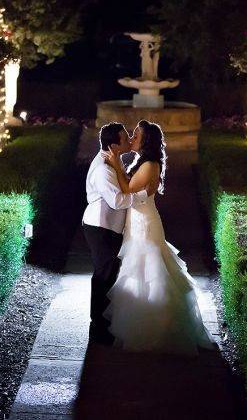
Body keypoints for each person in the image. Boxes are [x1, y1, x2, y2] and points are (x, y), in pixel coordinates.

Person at [101, 120, 216, 355]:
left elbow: (127, 191)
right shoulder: (142, 161)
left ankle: (158, 330)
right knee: (139, 271)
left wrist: (115, 163)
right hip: (138, 220)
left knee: (149, 270)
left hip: (145, 224)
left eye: (136, 135)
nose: (131, 137)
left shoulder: (149, 164)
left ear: (146, 140)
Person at [82, 122, 147, 344]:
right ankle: (97, 326)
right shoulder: (103, 168)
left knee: (108, 274)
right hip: (101, 227)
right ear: (114, 145)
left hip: (108, 227)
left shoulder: (112, 160)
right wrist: (141, 197)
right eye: (125, 136)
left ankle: (103, 323)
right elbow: (118, 200)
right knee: (103, 275)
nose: (129, 138)